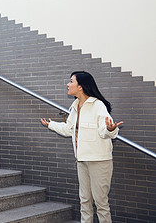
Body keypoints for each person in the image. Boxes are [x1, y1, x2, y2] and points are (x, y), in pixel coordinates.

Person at [40, 71, 123, 223]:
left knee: (101, 203)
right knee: (84, 201)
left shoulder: (97, 105)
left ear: (81, 86)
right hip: (81, 160)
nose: (68, 84)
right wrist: (51, 124)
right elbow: (68, 129)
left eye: (71, 81)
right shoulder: (75, 106)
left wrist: (111, 130)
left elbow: (104, 130)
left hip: (99, 161)